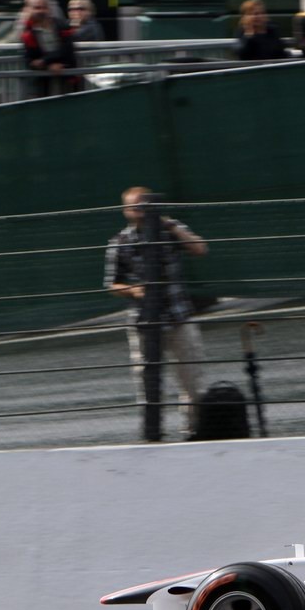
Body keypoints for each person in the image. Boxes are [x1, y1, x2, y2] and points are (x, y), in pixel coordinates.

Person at [104, 187, 208, 438]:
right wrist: (133, 290)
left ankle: (194, 431)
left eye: (144, 205)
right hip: (145, 321)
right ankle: (153, 433)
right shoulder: (120, 242)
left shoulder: (170, 231)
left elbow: (200, 249)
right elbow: (111, 283)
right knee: (147, 382)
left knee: (193, 379)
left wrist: (169, 225)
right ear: (125, 211)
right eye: (133, 207)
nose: (139, 211)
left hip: (178, 315)